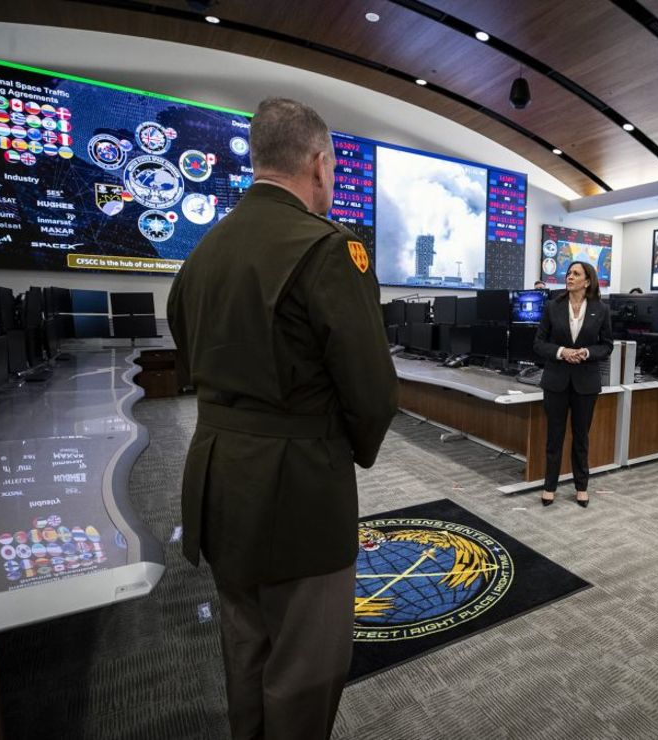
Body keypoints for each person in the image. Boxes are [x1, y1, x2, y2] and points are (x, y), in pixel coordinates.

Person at [167, 98, 398, 739]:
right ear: (319, 164)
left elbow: (190, 361)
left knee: (245, 650)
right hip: (297, 493)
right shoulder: (328, 249)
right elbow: (373, 393)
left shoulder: (202, 253)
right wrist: (334, 447)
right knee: (304, 674)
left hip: (216, 480)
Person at [534, 261, 613, 507]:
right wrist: (561, 351)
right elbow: (539, 343)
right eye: (569, 273)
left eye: (575, 274)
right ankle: (549, 486)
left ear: (587, 281)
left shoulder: (601, 309)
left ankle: (581, 486)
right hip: (556, 380)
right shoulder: (552, 306)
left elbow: (606, 345)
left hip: (585, 383)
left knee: (581, 437)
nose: (569, 277)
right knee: (554, 436)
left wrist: (587, 352)